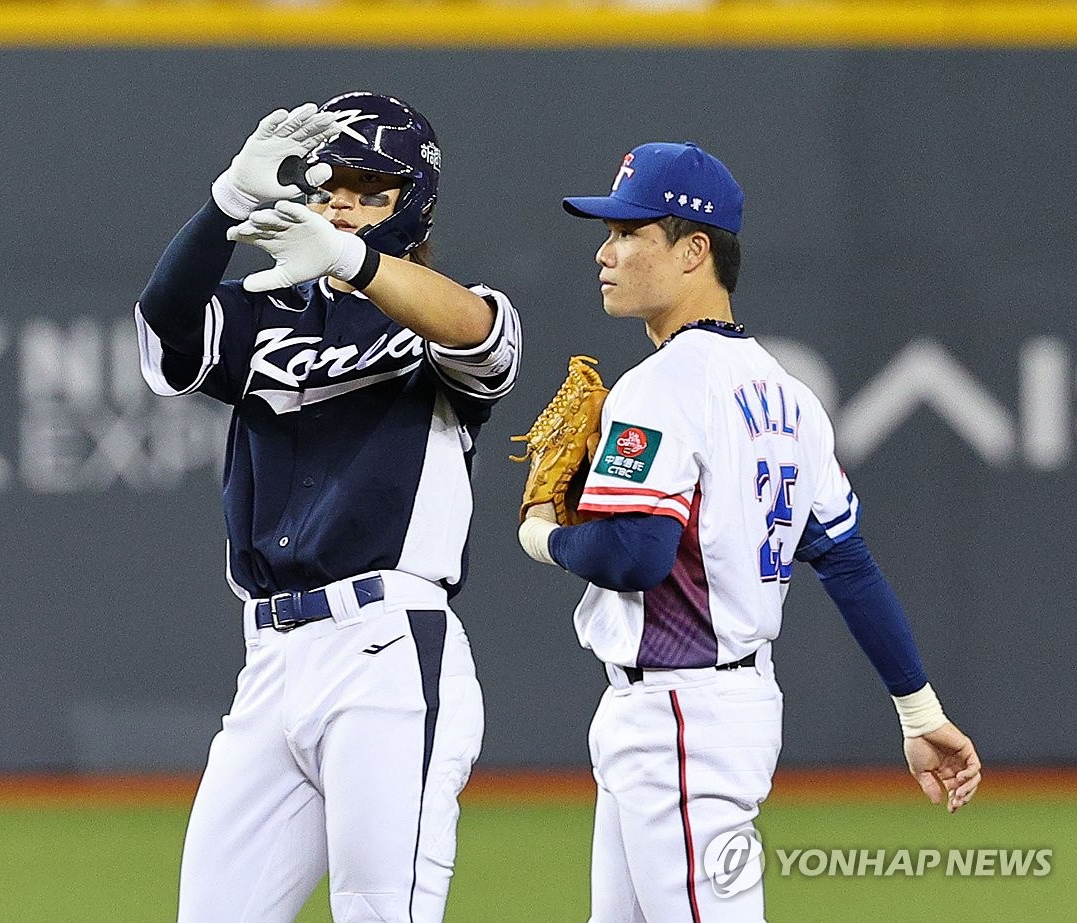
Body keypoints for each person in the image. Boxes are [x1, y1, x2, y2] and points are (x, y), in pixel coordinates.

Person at [516, 141, 980, 921]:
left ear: (695, 249)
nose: (605, 252)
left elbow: (635, 553)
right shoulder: (787, 393)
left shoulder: (658, 387)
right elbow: (847, 560)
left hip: (680, 719)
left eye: (630, 233)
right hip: (707, 708)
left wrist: (540, 533)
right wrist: (919, 711)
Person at [135, 92, 521, 923]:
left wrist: (355, 262)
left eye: (367, 186)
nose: (341, 200)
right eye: (328, 182)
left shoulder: (435, 308)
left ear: (410, 202)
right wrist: (224, 205)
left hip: (386, 647)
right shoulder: (267, 308)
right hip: (272, 659)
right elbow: (167, 323)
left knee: (385, 913)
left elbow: (480, 333)